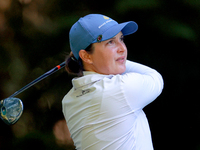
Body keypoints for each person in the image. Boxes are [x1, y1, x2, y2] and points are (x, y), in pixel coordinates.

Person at [62, 14, 164, 150]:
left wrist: (82, 58)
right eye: (110, 42)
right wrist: (118, 60)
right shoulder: (121, 89)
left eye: (121, 39)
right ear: (86, 56)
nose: (122, 48)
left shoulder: (69, 100)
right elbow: (155, 78)